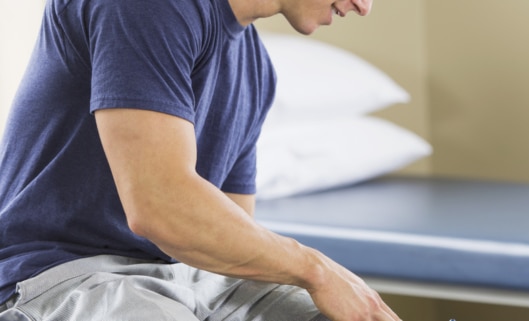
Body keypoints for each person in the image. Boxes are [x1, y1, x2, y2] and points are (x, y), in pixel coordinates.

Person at [0, 0, 402, 320]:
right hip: (61, 274)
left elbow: (228, 236)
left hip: (190, 278)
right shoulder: (144, 6)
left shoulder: (256, 69)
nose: (364, 6)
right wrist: (316, 270)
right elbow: (160, 207)